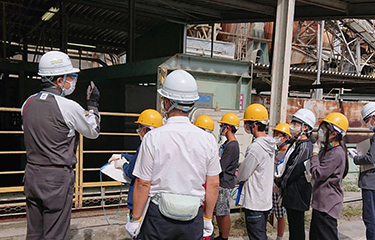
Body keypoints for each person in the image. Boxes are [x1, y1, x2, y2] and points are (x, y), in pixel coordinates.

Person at [125, 69, 221, 240]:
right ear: (192, 103)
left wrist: (136, 218)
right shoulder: (208, 140)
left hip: (158, 218)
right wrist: (207, 218)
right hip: (193, 217)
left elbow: (142, 183)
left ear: (167, 103)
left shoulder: (153, 137)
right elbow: (213, 184)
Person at [21, 50, 100, 240]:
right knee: (55, 233)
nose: (72, 81)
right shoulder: (67, 106)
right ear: (58, 80)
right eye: (70, 77)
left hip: (32, 174)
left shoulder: (27, 103)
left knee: (34, 232)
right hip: (56, 178)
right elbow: (93, 131)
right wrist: (93, 105)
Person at [109, 109, 163, 213]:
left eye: (140, 128)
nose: (139, 132)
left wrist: (123, 165)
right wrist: (124, 156)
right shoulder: (162, 145)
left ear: (146, 130)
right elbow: (139, 159)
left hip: (140, 200)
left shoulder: (144, 146)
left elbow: (131, 172)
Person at [274, 108, 315, 240]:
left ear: (305, 127)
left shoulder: (305, 147)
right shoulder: (295, 143)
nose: (292, 126)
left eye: (296, 123)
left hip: (298, 193)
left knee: (297, 228)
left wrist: (280, 183)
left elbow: (293, 169)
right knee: (294, 225)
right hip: (291, 192)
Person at [237, 103, 276, 240]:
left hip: (254, 201)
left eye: (247, 124)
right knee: (260, 234)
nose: (246, 127)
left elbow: (243, 173)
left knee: (257, 236)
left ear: (254, 125)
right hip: (264, 200)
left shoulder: (256, 148)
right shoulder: (269, 144)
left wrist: (238, 173)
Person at [309, 112, 349, 240]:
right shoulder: (328, 150)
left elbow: (317, 173)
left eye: (325, 129)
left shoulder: (336, 153)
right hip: (320, 203)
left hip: (327, 205)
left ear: (334, 133)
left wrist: (314, 155)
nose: (321, 132)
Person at [348, 102, 375, 239]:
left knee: (371, 219)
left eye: (367, 120)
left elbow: (371, 158)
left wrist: (356, 157)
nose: (367, 124)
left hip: (371, 183)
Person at [214, 113, 240, 240]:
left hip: (225, 182)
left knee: (223, 212)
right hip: (223, 181)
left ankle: (224, 236)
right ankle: (221, 234)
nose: (221, 129)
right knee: (219, 211)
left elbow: (222, 166)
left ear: (228, 127)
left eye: (223, 126)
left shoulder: (232, 145)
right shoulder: (229, 144)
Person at [272, 123, 292, 240]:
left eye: (278, 135)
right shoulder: (275, 150)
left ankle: (279, 237)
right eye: (275, 134)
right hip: (270, 186)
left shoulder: (287, 153)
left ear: (286, 137)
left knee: (280, 215)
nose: (276, 137)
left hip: (279, 188)